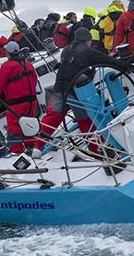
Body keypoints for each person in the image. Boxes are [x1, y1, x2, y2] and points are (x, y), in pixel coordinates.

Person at [32, 27, 125, 158]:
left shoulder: (65, 50)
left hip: (59, 88)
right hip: (76, 91)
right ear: (87, 41)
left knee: (52, 117)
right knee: (86, 121)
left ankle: (36, 147)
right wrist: (124, 65)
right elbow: (108, 60)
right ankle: (97, 150)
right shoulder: (88, 51)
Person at [0, 41, 39, 155]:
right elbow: (35, 79)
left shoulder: (7, 66)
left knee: (14, 129)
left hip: (17, 105)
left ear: (8, 52)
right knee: (29, 125)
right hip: (32, 102)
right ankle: (31, 148)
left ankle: (16, 154)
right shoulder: (28, 64)